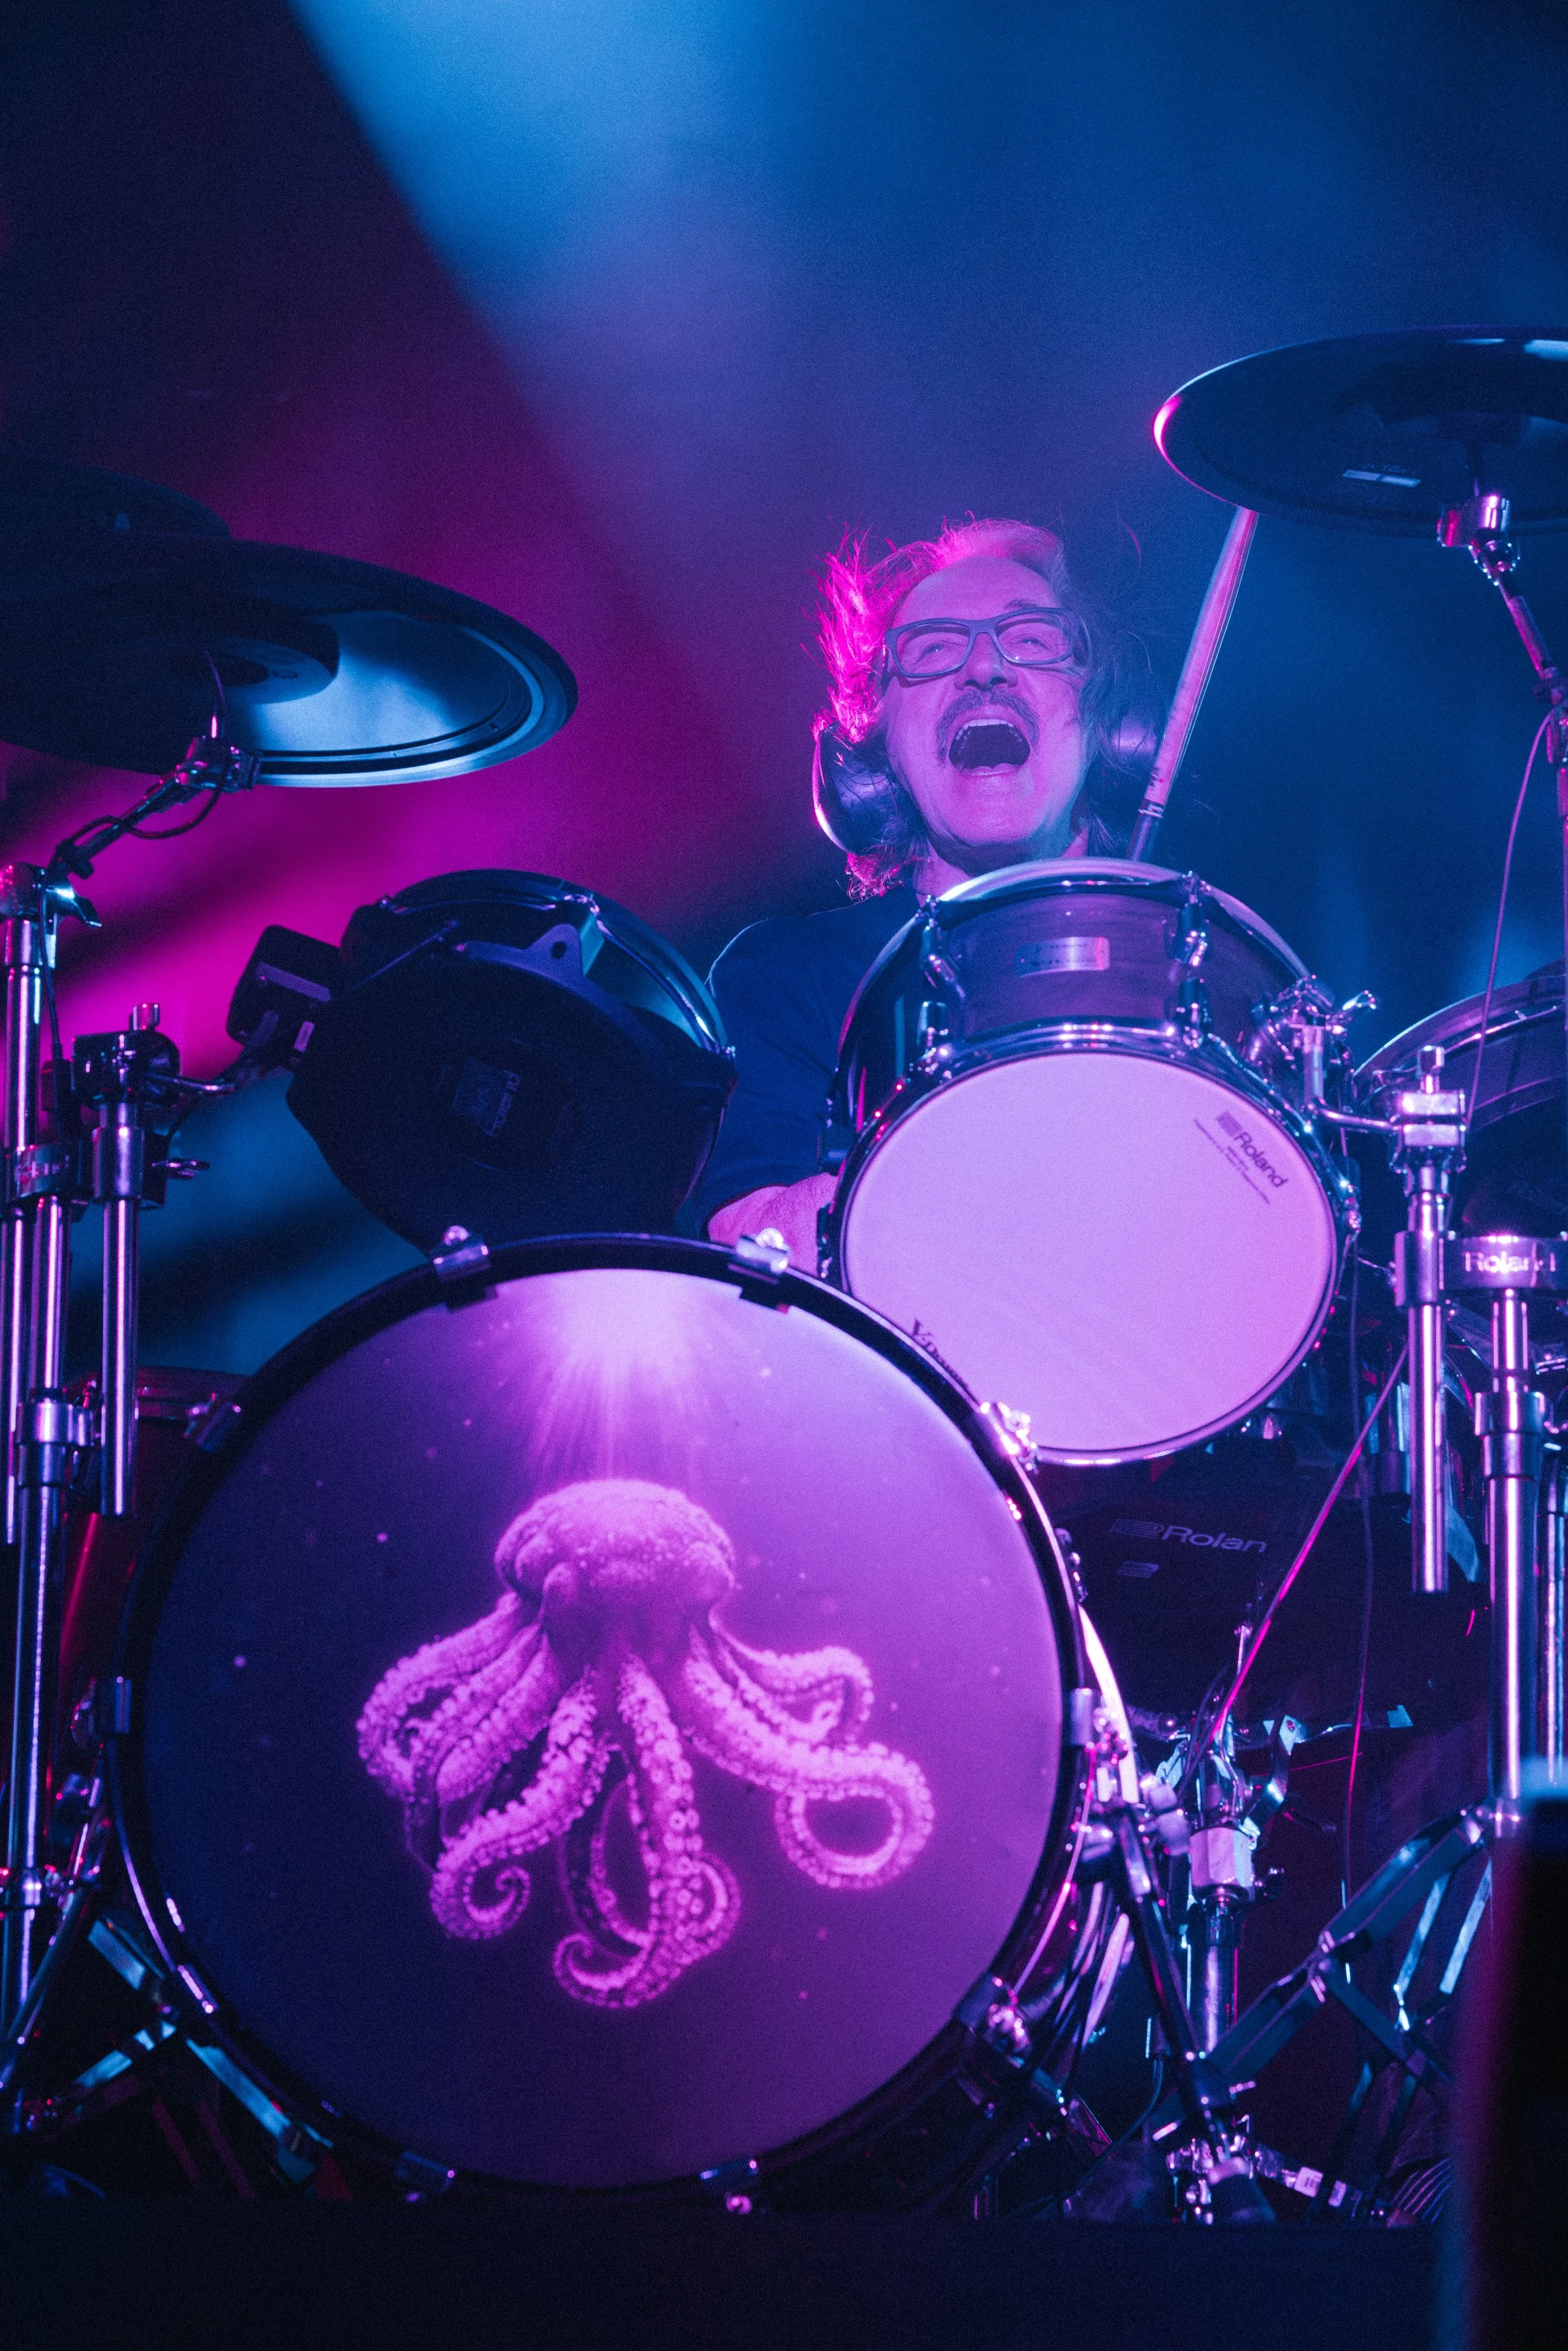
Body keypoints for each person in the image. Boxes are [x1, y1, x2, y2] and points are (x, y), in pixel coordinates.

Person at [695, 515, 1147, 1266]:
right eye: (932, 649)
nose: (985, 669)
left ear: (1109, 725)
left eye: (1031, 639)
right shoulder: (786, 973)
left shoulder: (1197, 968)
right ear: (876, 757)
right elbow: (753, 1242)